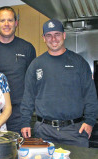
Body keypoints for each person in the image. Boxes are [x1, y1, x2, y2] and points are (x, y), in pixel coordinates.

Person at [20, 19, 98, 147]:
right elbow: (28, 97)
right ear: (44, 38)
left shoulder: (79, 62)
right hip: (44, 131)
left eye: (57, 34)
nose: (53, 39)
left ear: (64, 35)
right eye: (49, 35)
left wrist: (89, 122)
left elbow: (90, 95)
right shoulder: (36, 65)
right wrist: (24, 122)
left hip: (75, 132)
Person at [0, 6, 36, 135]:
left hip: (18, 114)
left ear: (16, 23)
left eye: (10, 20)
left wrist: (26, 117)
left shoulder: (27, 48)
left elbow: (32, 84)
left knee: (18, 151)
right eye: (2, 20)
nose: (6, 24)